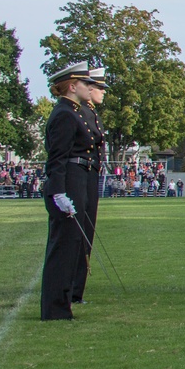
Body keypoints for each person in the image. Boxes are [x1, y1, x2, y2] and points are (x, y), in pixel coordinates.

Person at [40, 62, 99, 320]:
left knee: (72, 244)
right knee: (63, 246)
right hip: (69, 182)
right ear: (72, 86)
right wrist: (58, 192)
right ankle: (55, 308)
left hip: (77, 179)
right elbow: (58, 159)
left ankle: (62, 304)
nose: (90, 87)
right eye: (86, 83)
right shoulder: (65, 114)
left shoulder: (72, 112)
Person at [71, 66, 107, 305]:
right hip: (81, 175)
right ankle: (73, 288)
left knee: (86, 233)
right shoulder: (80, 112)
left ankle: (76, 288)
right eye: (99, 88)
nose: (103, 92)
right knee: (79, 233)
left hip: (90, 175)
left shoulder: (90, 113)